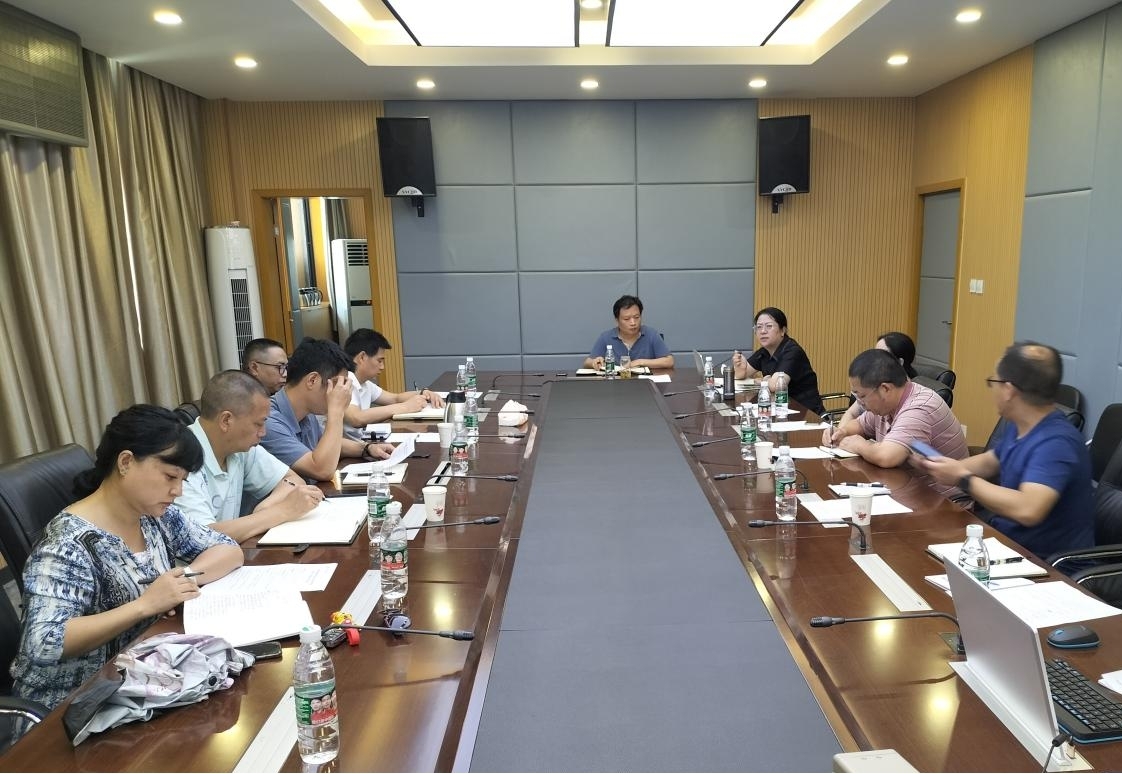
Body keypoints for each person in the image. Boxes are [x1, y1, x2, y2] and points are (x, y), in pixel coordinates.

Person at [11, 405, 244, 712]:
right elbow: (44, 642)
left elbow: (229, 550)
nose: (177, 491)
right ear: (125, 462)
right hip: (74, 705)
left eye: (183, 480)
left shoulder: (155, 516)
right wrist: (145, 605)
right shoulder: (67, 543)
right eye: (170, 476)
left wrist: (182, 580)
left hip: (141, 677)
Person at [919, 342, 1093, 562]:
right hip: (1008, 546)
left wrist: (962, 479)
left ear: (1009, 390)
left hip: (1046, 565)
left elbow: (1028, 509)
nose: (992, 390)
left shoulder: (1057, 442)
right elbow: (992, 461)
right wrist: (937, 465)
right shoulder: (1021, 424)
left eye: (994, 382)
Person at [176, 370, 326, 542]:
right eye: (258, 424)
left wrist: (265, 508)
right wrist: (282, 511)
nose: (263, 433)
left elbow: (293, 480)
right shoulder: (180, 460)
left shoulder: (238, 447)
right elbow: (203, 537)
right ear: (226, 420)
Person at [824, 349, 968, 500]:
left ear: (885, 389)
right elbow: (860, 425)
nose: (860, 404)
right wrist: (841, 432)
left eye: (862, 396)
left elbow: (886, 456)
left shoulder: (918, 408)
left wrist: (859, 445)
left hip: (944, 503)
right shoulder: (887, 405)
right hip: (909, 491)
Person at [260, 338, 393, 482]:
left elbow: (328, 444)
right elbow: (321, 470)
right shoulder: (267, 421)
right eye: (337, 384)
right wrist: (336, 411)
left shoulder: (307, 412)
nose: (342, 391)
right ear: (312, 380)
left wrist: (367, 449)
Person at [341, 329, 445, 439]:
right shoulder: (344, 382)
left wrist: (424, 393)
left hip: (363, 443)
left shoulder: (365, 384)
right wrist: (405, 407)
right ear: (362, 357)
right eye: (379, 361)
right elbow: (356, 418)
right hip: (350, 448)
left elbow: (395, 398)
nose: (382, 367)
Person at [731, 307, 823, 414]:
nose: (763, 331)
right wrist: (740, 368)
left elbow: (775, 385)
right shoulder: (764, 351)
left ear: (782, 331)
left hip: (806, 413)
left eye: (769, 326)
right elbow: (741, 375)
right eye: (759, 327)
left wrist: (764, 381)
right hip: (781, 410)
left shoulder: (792, 351)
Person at [836, 331, 919, 425]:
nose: (875, 358)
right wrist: (841, 431)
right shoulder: (871, 383)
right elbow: (851, 413)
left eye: (882, 354)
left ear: (899, 362)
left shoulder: (910, 397)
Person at [584, 295, 674, 371]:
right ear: (617, 320)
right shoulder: (606, 337)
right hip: (616, 384)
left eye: (636, 317)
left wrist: (640, 362)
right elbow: (587, 363)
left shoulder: (651, 334)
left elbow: (669, 361)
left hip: (645, 384)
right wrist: (594, 362)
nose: (633, 323)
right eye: (627, 319)